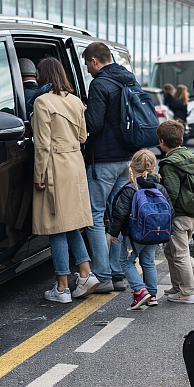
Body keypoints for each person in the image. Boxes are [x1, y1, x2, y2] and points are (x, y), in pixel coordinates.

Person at [31, 57, 99, 303]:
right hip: (75, 165)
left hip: (54, 166)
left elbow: (41, 145)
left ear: (44, 75)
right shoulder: (76, 102)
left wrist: (39, 176)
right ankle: (85, 273)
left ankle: (61, 288)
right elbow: (82, 136)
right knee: (70, 223)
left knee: (55, 226)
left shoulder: (42, 102)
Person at [76, 41, 141, 296]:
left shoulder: (99, 84)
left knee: (95, 216)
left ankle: (101, 275)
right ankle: (117, 273)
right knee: (118, 216)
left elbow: (95, 124)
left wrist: (83, 110)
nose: (88, 70)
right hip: (125, 158)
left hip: (102, 159)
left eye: (87, 65)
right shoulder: (129, 80)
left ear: (94, 61)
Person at [107, 149, 170, 310]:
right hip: (154, 233)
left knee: (125, 261)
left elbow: (120, 214)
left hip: (134, 235)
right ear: (153, 167)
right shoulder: (159, 188)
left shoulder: (130, 189)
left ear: (132, 167)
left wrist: (113, 233)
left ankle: (140, 291)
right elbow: (170, 212)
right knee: (148, 262)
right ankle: (152, 295)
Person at [156, 120, 194, 304]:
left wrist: (165, 213)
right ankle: (177, 287)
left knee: (180, 253)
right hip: (193, 212)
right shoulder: (192, 157)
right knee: (171, 251)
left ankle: (187, 291)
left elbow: (172, 192)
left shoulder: (169, 164)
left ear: (161, 141)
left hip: (178, 214)